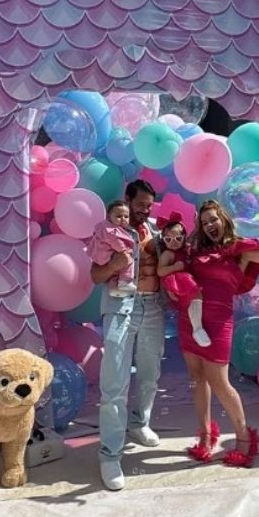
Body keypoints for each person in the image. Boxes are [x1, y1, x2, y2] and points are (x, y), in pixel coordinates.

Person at [182, 198, 259, 467]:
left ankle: (244, 439)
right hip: (190, 320)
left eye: (213, 219)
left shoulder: (239, 250)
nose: (209, 225)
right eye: (204, 222)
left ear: (224, 219)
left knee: (219, 382)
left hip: (218, 322)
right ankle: (205, 437)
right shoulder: (197, 250)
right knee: (197, 379)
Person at [89, 179, 164, 491]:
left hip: (153, 308)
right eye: (140, 204)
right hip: (121, 308)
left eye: (149, 205)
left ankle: (139, 423)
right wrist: (115, 264)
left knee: (150, 375)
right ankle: (110, 454)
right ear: (127, 200)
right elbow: (95, 275)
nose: (145, 210)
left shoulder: (157, 230)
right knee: (114, 383)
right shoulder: (109, 230)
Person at [153, 212, 211, 348]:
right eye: (168, 240)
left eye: (178, 238)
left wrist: (197, 226)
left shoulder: (186, 248)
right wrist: (174, 267)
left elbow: (193, 237)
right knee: (196, 295)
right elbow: (160, 271)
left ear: (184, 237)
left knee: (195, 300)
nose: (173, 242)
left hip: (187, 280)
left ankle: (196, 328)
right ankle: (197, 329)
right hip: (179, 280)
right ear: (163, 240)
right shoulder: (168, 254)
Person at [86, 200, 138, 297]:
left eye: (126, 216)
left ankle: (115, 288)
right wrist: (123, 249)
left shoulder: (107, 227)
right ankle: (125, 281)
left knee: (116, 273)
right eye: (118, 216)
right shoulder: (110, 229)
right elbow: (115, 241)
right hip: (105, 255)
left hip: (104, 255)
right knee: (128, 260)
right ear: (109, 217)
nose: (123, 219)